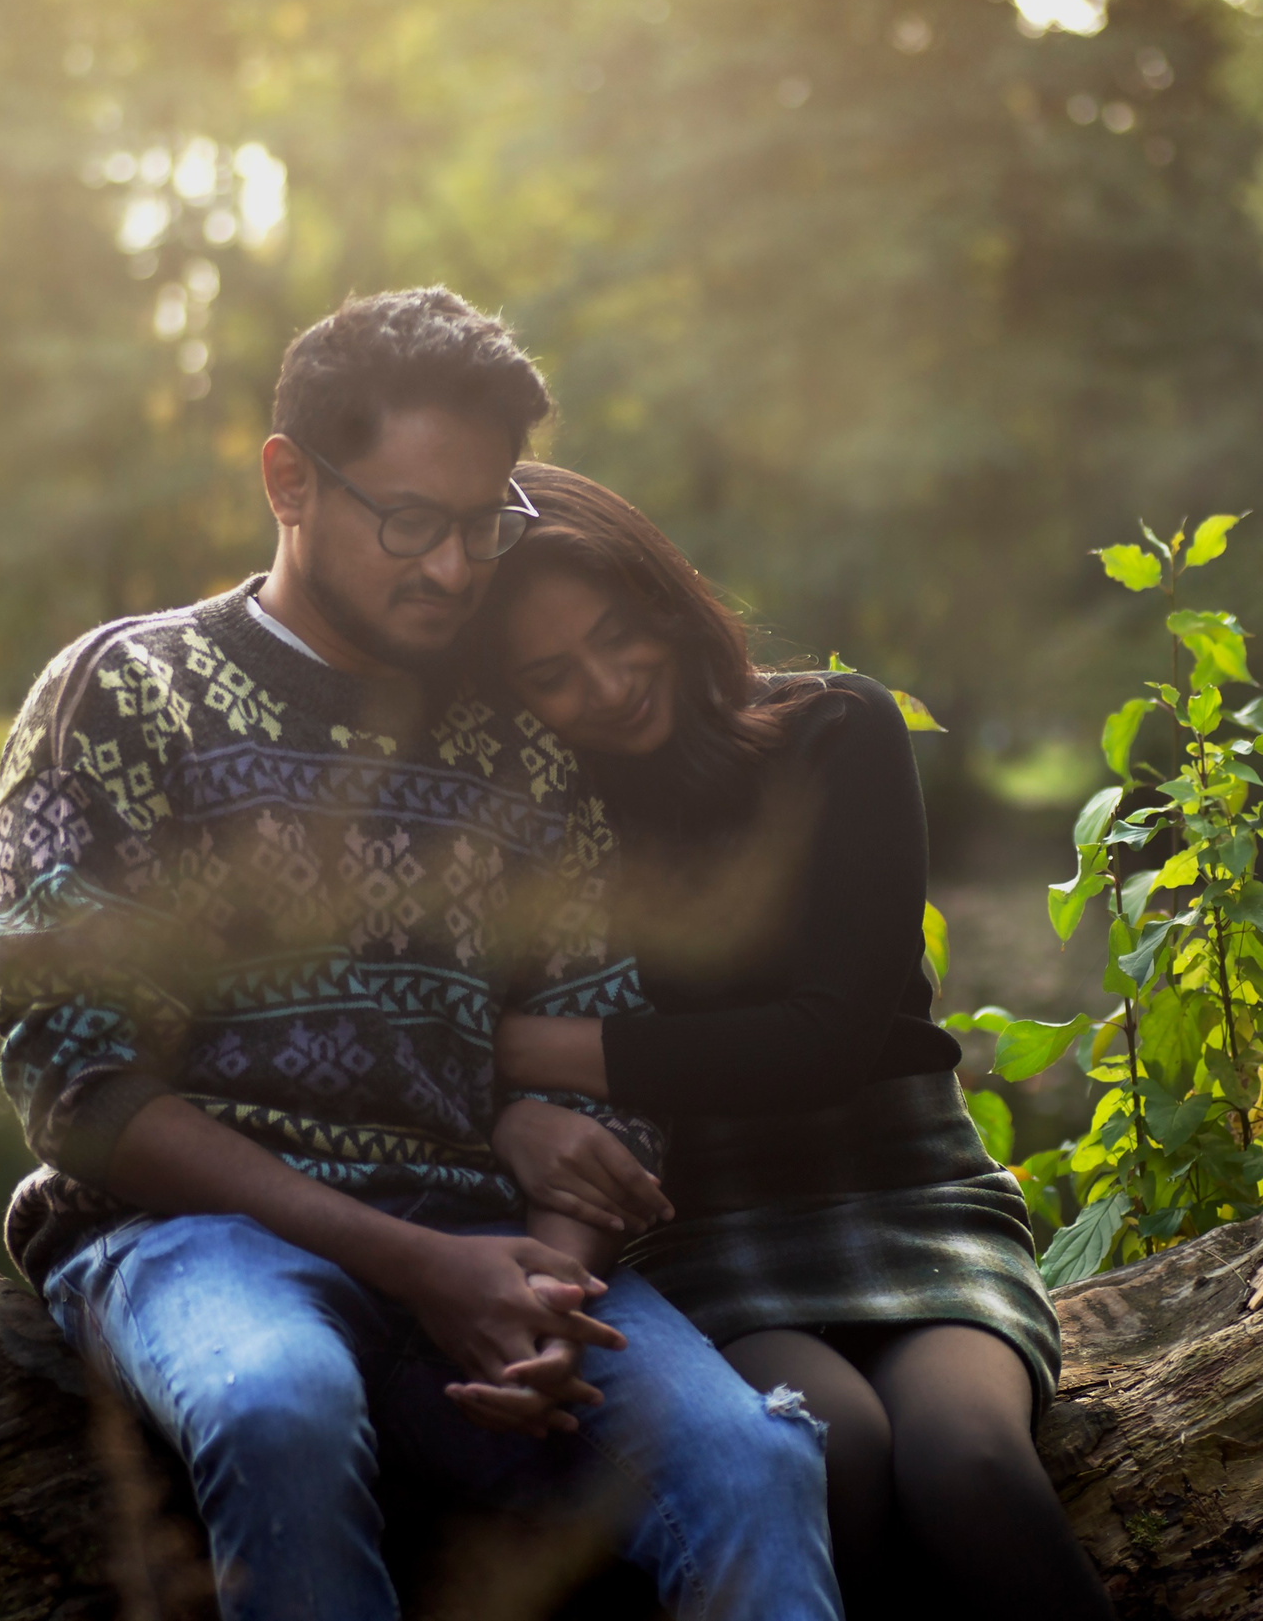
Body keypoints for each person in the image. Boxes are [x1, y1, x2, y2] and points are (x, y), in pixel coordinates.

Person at [0, 291, 841, 1621]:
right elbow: (79, 1086)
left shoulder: (523, 745)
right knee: (280, 1404)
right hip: (199, 1241)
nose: (452, 569)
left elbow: (594, 1049)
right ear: (289, 480)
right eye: (409, 523)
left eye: (481, 524)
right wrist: (414, 1264)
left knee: (753, 1463)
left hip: (490, 1246)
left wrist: (548, 1294)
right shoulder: (128, 694)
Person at [476, 464, 1116, 1621]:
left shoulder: (836, 728)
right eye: (551, 677)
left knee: (964, 1459)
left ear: (664, 599)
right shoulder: (539, 818)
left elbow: (824, 1041)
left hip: (909, 1193)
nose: (609, 687)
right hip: (705, 1227)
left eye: (622, 638)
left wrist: (524, 1051)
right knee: (836, 1447)